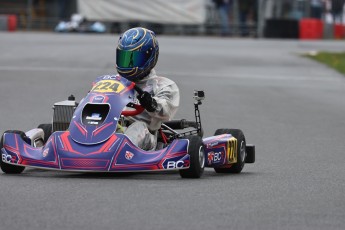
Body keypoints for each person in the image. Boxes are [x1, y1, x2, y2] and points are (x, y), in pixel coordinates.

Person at [116, 27, 180, 150]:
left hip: (145, 135)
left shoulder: (163, 85)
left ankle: (122, 151)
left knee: (138, 126)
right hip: (113, 128)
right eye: (124, 58)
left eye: (133, 59)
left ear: (149, 57)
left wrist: (151, 103)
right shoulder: (113, 82)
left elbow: (166, 112)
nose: (127, 64)